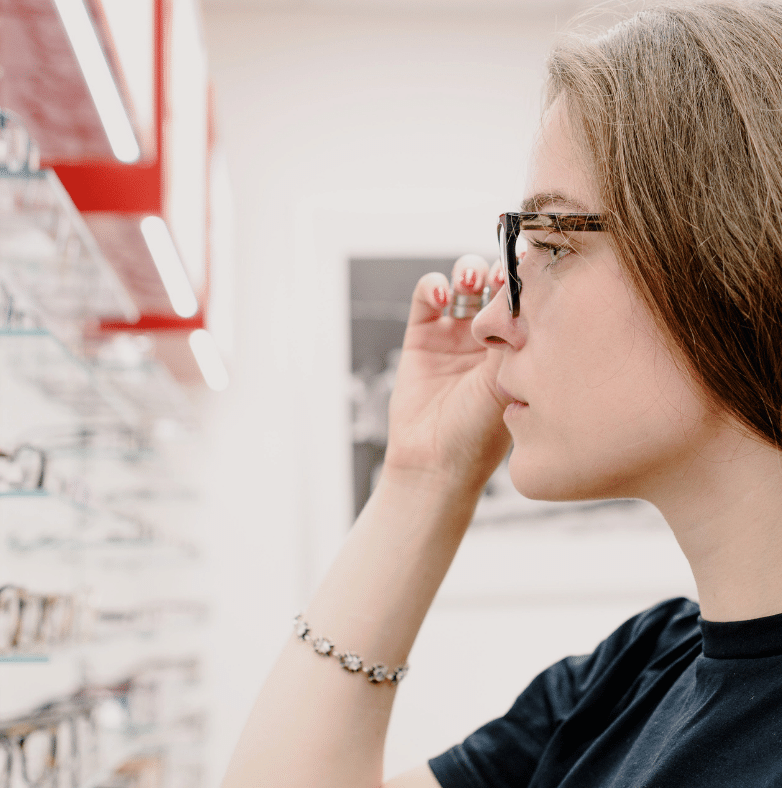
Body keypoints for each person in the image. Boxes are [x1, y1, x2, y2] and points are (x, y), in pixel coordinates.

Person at [220, 2, 782, 786]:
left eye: (552, 244)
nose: (490, 320)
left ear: (728, 252)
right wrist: (424, 477)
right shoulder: (636, 675)